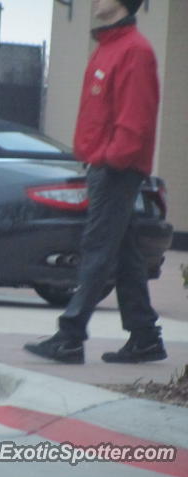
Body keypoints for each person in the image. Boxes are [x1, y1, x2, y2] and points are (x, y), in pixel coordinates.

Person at [24, 0, 167, 364]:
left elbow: (136, 120)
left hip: (117, 168)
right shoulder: (110, 47)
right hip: (104, 165)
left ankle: (70, 335)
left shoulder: (135, 51)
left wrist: (110, 159)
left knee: (98, 248)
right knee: (123, 251)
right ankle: (145, 335)